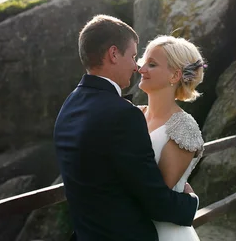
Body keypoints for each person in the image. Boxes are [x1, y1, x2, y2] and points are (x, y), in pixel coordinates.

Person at [53, 15, 199, 241]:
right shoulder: (124, 114)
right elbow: (155, 200)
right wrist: (192, 202)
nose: (136, 67)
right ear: (113, 54)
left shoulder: (68, 106)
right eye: (133, 56)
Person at [137, 35, 206, 241]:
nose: (141, 69)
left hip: (164, 234)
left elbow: (158, 198)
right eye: (143, 63)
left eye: (152, 64)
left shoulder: (183, 126)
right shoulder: (135, 115)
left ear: (175, 75)